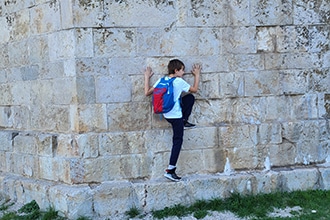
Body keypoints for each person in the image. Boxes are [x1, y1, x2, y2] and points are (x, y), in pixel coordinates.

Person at [144, 59, 201, 181]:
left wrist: (147, 76)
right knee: (177, 141)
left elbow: (147, 92)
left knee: (188, 98)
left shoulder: (162, 79)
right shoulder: (179, 81)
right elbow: (195, 89)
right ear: (176, 70)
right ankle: (170, 170)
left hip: (166, 114)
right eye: (182, 70)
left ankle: (184, 121)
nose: (184, 72)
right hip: (176, 117)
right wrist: (197, 75)